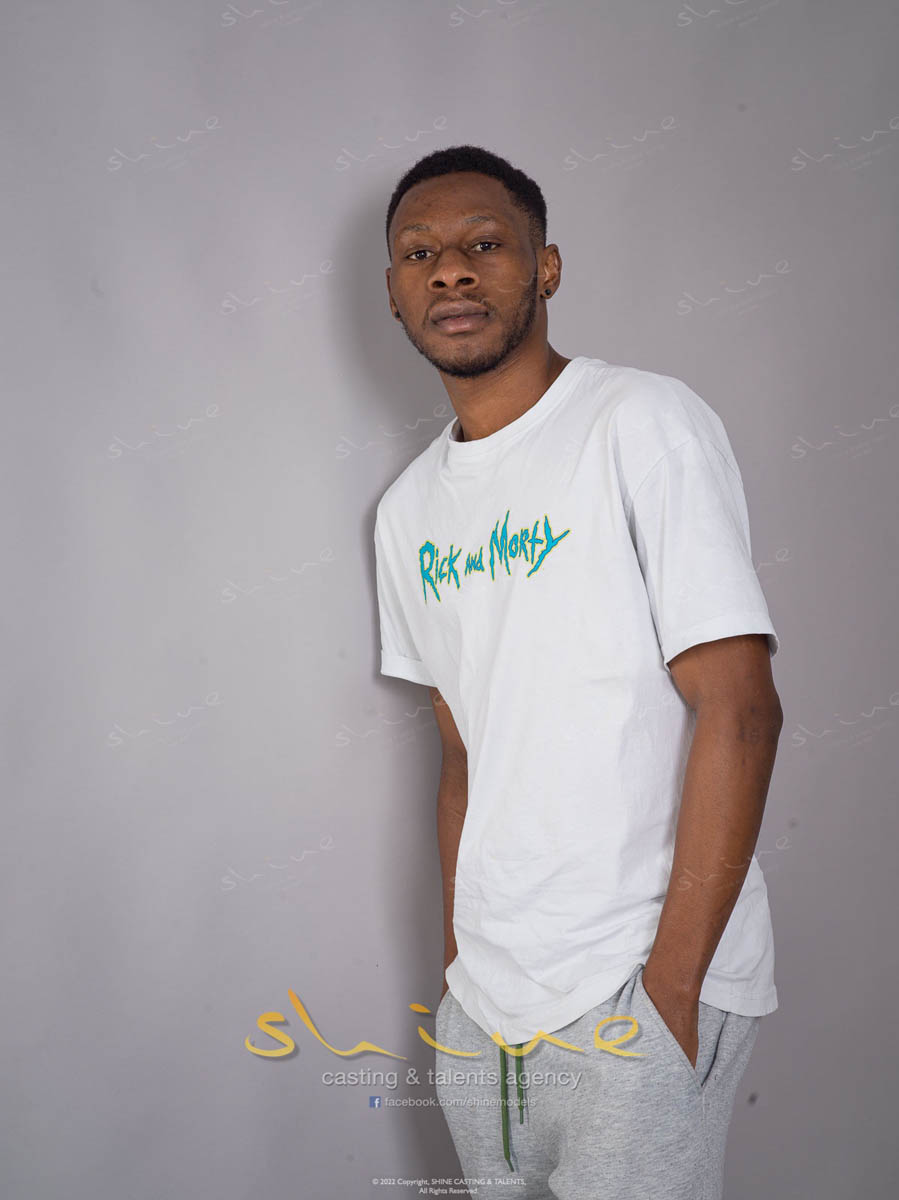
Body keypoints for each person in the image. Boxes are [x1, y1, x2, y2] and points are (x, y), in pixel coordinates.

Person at [373, 144, 783, 1199]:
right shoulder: (407, 510)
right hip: (486, 1005)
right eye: (419, 254)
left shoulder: (638, 422)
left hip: (636, 983)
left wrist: (671, 990)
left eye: (483, 244)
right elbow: (461, 755)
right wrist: (461, 973)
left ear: (545, 268)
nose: (449, 270)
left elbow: (739, 709)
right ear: (394, 292)